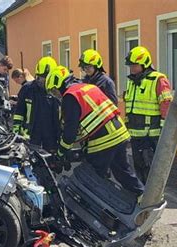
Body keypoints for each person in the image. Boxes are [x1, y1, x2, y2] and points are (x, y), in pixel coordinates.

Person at [46, 65, 144, 196]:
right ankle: (144, 197)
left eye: (54, 91)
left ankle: (100, 208)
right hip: (119, 133)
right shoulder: (87, 87)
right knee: (123, 172)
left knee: (91, 177)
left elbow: (70, 132)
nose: (56, 95)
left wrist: (60, 152)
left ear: (59, 83)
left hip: (104, 140)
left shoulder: (70, 96)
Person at [124, 46, 173, 183]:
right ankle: (143, 197)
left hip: (151, 135)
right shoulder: (132, 81)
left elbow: (166, 104)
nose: (132, 68)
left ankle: (154, 198)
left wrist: (164, 129)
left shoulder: (158, 79)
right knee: (139, 167)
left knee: (151, 169)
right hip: (135, 135)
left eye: (134, 65)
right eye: (130, 65)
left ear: (144, 64)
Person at [12, 57, 61, 152]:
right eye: (38, 76)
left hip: (51, 139)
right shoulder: (27, 89)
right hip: (30, 138)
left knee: (52, 164)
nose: (40, 80)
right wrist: (16, 133)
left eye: (44, 77)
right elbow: (19, 113)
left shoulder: (56, 92)